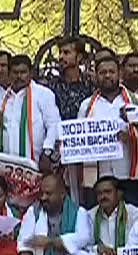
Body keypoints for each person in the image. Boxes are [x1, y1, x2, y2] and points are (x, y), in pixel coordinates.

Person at [78, 56, 138, 210]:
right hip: (98, 176)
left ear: (119, 74)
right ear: (96, 75)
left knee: (133, 219)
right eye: (102, 72)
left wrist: (133, 135)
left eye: (111, 72)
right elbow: (80, 138)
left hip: (129, 173)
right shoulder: (86, 106)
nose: (107, 75)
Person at [13, 173, 97, 255]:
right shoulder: (34, 211)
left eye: (48, 193)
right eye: (42, 193)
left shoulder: (79, 213)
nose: (43, 198)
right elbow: (24, 240)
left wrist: (50, 242)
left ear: (62, 194)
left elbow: (82, 238)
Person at [0, 55, 61, 173]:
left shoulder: (43, 94)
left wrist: (47, 152)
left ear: (30, 73)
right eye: (15, 72)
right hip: (6, 165)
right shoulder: (4, 97)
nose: (19, 76)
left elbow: (54, 125)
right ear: (9, 74)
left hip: (34, 165)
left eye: (23, 72)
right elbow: (2, 126)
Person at [47, 37, 96, 204]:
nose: (61, 57)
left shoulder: (91, 84)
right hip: (59, 153)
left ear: (80, 57)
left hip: (85, 151)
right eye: (60, 53)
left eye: (67, 52)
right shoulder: (51, 86)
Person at [87, 177, 138, 255]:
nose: (103, 196)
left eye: (108, 192)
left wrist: (118, 254)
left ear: (119, 193)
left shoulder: (134, 213)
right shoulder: (90, 215)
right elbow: (86, 245)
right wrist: (98, 249)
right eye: (99, 193)